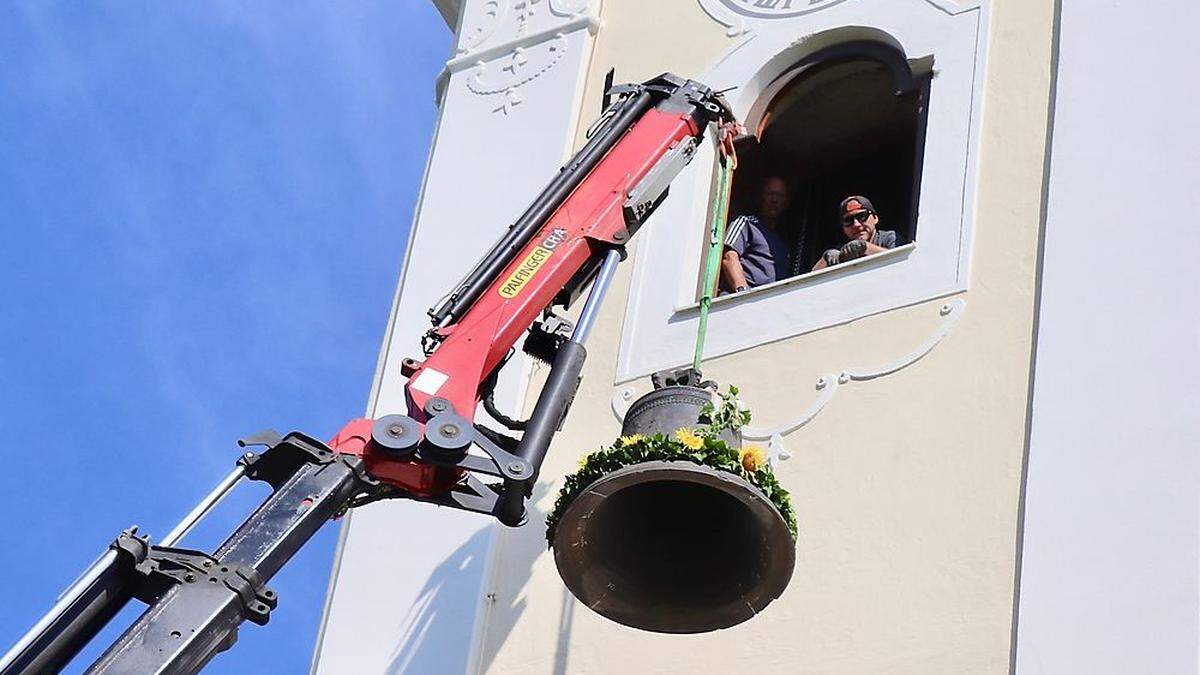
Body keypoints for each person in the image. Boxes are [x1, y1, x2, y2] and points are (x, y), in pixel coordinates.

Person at [720, 176, 793, 292]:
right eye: (770, 194)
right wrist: (742, 291)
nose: (774, 199)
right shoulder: (746, 223)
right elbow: (729, 257)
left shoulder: (783, 241)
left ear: (786, 203)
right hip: (741, 301)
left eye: (780, 196)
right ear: (760, 197)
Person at [811, 195, 899, 271]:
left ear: (875, 218)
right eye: (848, 220)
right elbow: (811, 279)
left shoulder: (889, 237)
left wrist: (865, 247)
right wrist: (825, 259)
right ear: (843, 228)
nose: (856, 225)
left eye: (862, 216)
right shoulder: (842, 250)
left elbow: (900, 261)